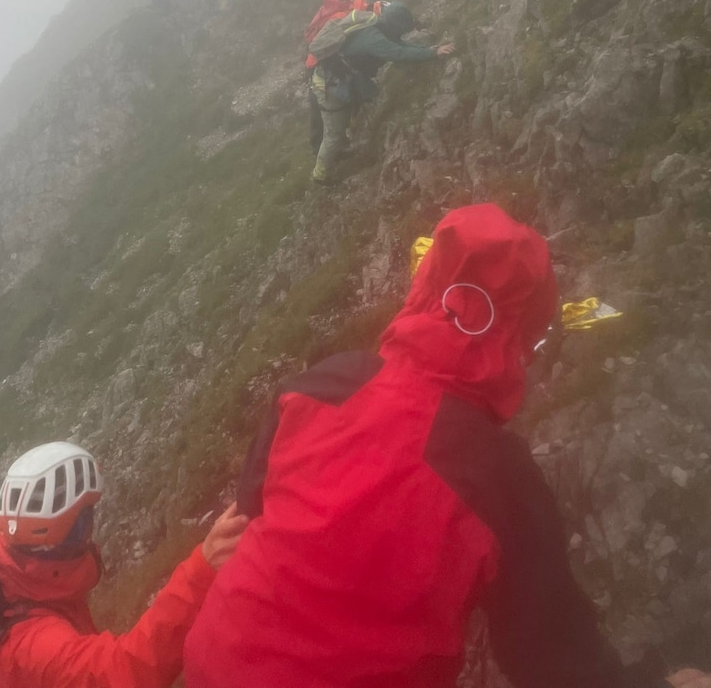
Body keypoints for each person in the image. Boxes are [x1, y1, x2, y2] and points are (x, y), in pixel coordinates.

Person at [183, 204, 705, 688]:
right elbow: (555, 661)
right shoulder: (500, 480)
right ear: (521, 341)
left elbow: (251, 505)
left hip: (213, 655)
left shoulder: (323, 381)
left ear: (426, 285)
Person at [0, 441, 248, 688]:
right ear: (58, 537)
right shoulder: (36, 648)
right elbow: (124, 672)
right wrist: (203, 568)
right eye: (82, 522)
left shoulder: (18, 579)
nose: (89, 535)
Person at [310, 0, 453, 184]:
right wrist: (431, 53)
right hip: (329, 86)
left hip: (338, 80)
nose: (402, 33)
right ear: (395, 25)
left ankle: (338, 151)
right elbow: (397, 53)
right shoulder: (374, 39)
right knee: (333, 134)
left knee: (342, 123)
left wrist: (431, 50)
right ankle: (320, 175)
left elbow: (399, 46)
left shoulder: (376, 25)